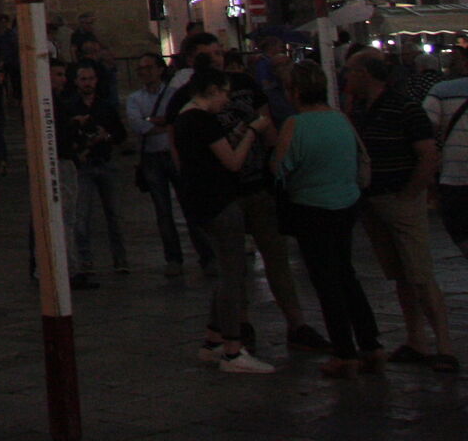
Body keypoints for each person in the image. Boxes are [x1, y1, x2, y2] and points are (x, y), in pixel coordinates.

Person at [346, 51, 456, 371]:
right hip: (374, 199)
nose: (346, 77)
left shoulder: (404, 107)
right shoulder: (361, 109)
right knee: (400, 274)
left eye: (351, 71)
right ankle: (416, 340)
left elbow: (428, 153)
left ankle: (444, 345)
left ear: (367, 73)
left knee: (419, 273)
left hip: (400, 197)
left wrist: (411, 192)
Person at [272, 60, 380, 376]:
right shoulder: (341, 119)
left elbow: (280, 169)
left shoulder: (295, 125)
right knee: (346, 274)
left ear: (295, 92)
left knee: (325, 280)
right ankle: (371, 344)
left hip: (311, 208)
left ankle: (344, 352)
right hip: (345, 204)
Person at [170, 70, 276, 373]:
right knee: (232, 275)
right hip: (218, 204)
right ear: (212, 90)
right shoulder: (202, 121)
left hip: (201, 204)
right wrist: (253, 131)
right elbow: (231, 161)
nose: (227, 100)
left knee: (226, 272)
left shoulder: (184, 119)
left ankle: (213, 340)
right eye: (224, 94)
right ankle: (232, 349)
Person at [60, 63, 129, 286]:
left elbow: (120, 134)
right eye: (83, 79)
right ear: (76, 82)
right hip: (85, 165)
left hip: (105, 162)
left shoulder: (105, 106)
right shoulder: (70, 106)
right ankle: (86, 260)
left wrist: (105, 136)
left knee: (115, 215)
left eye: (90, 78)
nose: (87, 83)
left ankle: (120, 259)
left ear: (96, 80)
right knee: (81, 217)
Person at [124, 53, 186, 270]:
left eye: (148, 67)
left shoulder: (173, 95)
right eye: (141, 69)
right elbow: (138, 126)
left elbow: (177, 122)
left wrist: (151, 121)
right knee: (162, 210)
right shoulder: (134, 99)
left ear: (160, 70)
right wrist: (161, 124)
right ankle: (173, 259)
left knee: (188, 204)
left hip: (172, 152)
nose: (144, 72)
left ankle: (206, 256)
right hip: (151, 157)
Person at [430, 50, 468, 259]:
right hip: (454, 175)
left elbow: (426, 127)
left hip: (455, 175)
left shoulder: (441, 91)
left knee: (460, 228)